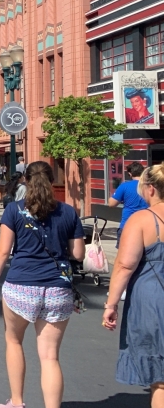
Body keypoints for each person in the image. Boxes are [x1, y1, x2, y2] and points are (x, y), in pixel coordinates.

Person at [0, 161, 85, 408]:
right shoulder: (68, 212)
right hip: (58, 287)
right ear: (51, 181)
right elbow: (78, 253)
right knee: (50, 357)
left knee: (14, 342)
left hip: (21, 285)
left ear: (26, 181)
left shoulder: (14, 210)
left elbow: (3, 251)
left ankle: (17, 402)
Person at [103, 163, 164, 407]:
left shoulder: (141, 220)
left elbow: (125, 265)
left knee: (160, 379)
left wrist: (111, 304)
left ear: (151, 189)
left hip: (153, 300)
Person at [108, 161, 148, 249]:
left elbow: (111, 203)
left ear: (130, 174)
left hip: (127, 225)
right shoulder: (149, 186)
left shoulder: (125, 186)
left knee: (125, 253)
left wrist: (122, 198)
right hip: (147, 226)